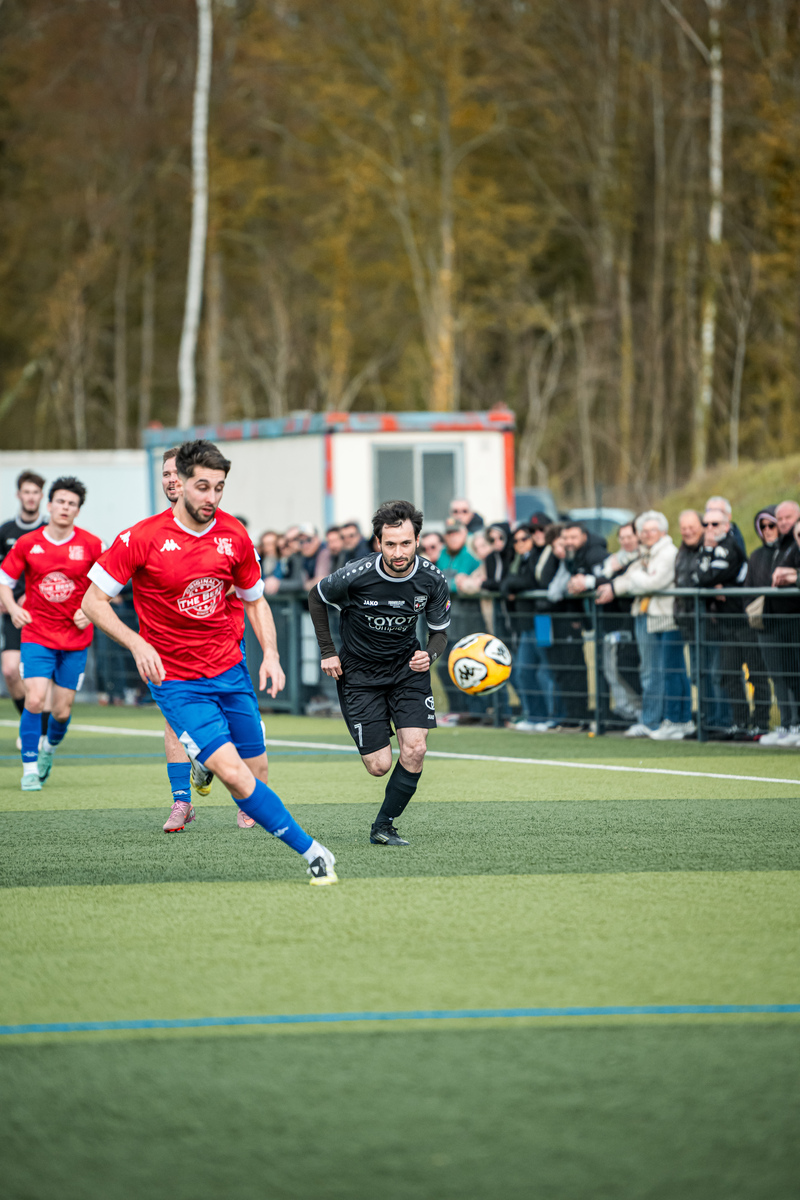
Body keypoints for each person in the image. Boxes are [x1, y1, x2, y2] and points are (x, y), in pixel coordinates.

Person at [82, 439, 338, 885]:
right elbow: (93, 601)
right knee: (236, 776)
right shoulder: (140, 538)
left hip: (230, 670)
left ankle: (204, 758)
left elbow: (255, 601)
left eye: (219, 487)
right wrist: (137, 644)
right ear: (178, 483)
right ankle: (315, 854)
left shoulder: (234, 535)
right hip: (176, 680)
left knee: (256, 774)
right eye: (202, 486)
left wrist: (271, 654)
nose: (211, 497)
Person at [308, 499, 451, 846]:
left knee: (415, 749)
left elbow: (439, 634)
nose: (398, 552)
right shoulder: (356, 575)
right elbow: (316, 596)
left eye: (405, 543)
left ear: (417, 540)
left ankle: (384, 826)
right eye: (390, 544)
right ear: (378, 542)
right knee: (379, 766)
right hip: (359, 674)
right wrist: (328, 651)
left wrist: (428, 655)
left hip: (406, 670)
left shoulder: (432, 579)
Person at [155, 448, 254, 831]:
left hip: (223, 645)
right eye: (166, 474)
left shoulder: (230, 532)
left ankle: (246, 800)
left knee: (234, 722)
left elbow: (247, 587)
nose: (171, 479)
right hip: (173, 650)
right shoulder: (150, 534)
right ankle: (182, 801)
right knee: (173, 721)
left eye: (176, 473)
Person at [0, 476, 103, 790]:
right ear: (50, 504)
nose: (65, 507)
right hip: (37, 635)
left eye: (72, 503)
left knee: (61, 710)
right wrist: (13, 608)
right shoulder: (27, 543)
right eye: (60, 501)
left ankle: (49, 748)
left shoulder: (92, 544)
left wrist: (91, 610)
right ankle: (29, 768)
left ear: (78, 510)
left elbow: (108, 585)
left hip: (75, 639)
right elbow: (4, 580)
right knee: (34, 700)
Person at [598, 511, 691, 740]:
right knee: (652, 672)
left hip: (666, 619)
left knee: (669, 671)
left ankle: (671, 720)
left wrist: (634, 579)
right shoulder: (645, 554)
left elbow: (652, 582)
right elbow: (626, 579)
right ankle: (657, 720)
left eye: (652, 530)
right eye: (644, 531)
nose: (647, 534)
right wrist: (621, 584)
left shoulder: (667, 553)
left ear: (662, 531)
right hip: (647, 616)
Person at [0, 471, 51, 738]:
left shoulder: (50, 530)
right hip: (13, 614)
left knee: (43, 677)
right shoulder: (6, 531)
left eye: (35, 492)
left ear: (42, 496)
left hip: (45, 613)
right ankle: (30, 726)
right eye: (26, 492)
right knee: (10, 670)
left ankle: (40, 733)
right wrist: (5, 598)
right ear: (19, 495)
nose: (30, 497)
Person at [696, 505, 750, 737]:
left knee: (757, 673)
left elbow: (706, 577)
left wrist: (713, 579)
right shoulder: (711, 548)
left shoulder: (727, 547)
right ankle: (741, 722)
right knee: (727, 673)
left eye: (715, 524)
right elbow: (700, 578)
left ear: (727, 526)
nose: (709, 528)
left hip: (743, 620)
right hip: (727, 623)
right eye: (706, 524)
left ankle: (761, 723)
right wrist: (711, 583)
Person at [760, 500, 800, 746]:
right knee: (788, 676)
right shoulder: (783, 547)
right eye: (780, 519)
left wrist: (795, 576)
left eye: (788, 518)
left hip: (794, 619)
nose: (783, 523)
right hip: (780, 621)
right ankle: (791, 724)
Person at [744, 508, 781, 737]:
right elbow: (748, 589)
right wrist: (752, 611)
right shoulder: (756, 555)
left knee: (786, 676)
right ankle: (761, 723)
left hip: (783, 623)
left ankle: (791, 723)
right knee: (759, 674)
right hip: (759, 625)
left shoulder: (786, 552)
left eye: (771, 525)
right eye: (763, 526)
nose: (767, 530)